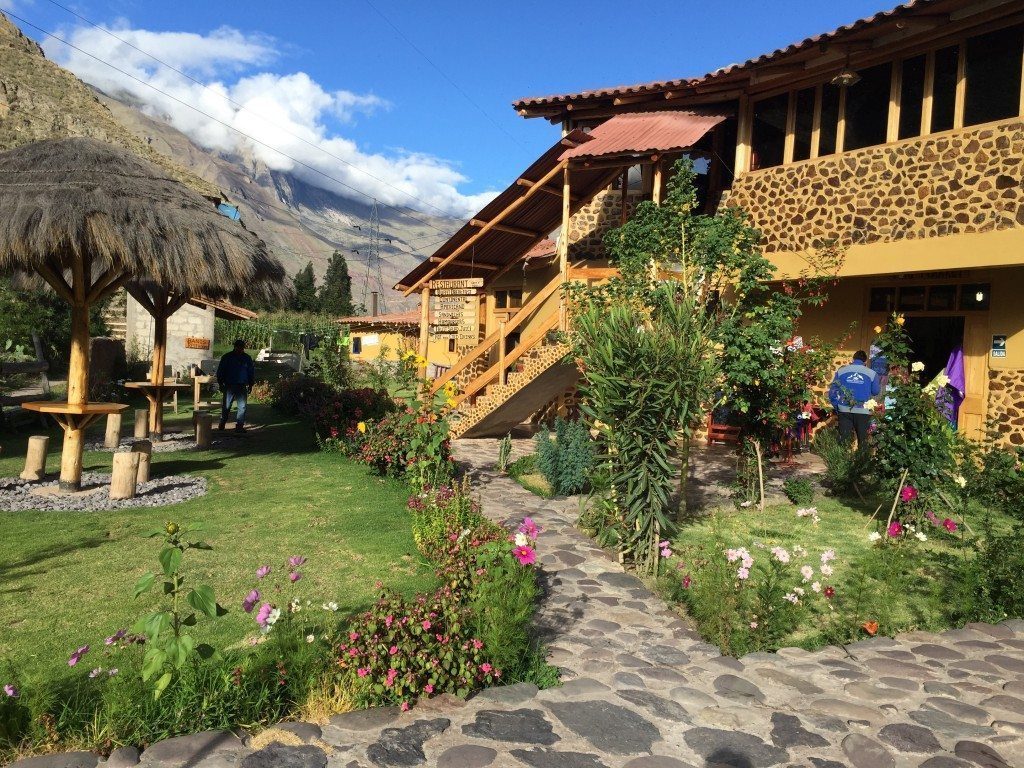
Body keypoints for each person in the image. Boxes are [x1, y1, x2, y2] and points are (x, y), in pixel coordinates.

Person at [828, 350, 881, 451]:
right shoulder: (872, 373)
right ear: (865, 362)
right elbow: (875, 391)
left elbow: (833, 392)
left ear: (853, 360)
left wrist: (837, 406)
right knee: (863, 440)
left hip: (844, 410)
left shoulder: (841, 371)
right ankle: (861, 464)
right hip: (863, 411)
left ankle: (841, 464)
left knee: (844, 440)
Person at [216, 339, 255, 431]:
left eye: (242, 348)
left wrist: (251, 384)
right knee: (226, 406)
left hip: (241, 385)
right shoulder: (227, 357)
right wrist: (220, 383)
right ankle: (222, 423)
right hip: (229, 385)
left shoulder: (247, 358)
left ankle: (240, 426)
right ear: (235, 347)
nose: (241, 349)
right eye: (239, 347)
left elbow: (250, 372)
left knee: (242, 406)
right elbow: (221, 371)